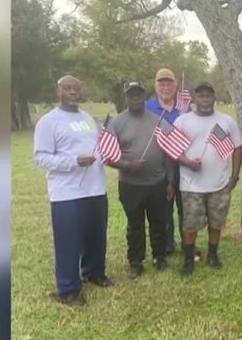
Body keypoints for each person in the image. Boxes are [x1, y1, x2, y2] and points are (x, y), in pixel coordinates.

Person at [33, 75, 111, 306]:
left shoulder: (87, 118)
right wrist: (74, 161)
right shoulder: (48, 122)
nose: (73, 92)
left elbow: (98, 146)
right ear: (59, 91)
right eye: (68, 89)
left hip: (95, 188)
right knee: (68, 241)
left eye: (77, 88)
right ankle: (68, 289)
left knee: (96, 235)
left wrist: (105, 155)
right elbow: (40, 157)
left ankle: (94, 272)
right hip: (67, 192)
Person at [173, 82, 242, 276]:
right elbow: (173, 150)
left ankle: (213, 254)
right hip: (191, 184)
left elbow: (237, 149)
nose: (205, 98)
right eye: (201, 95)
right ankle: (188, 260)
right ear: (194, 98)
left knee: (216, 222)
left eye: (208, 95)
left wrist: (235, 176)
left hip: (219, 183)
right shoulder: (182, 121)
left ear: (214, 98)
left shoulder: (226, 121)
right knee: (190, 224)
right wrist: (187, 162)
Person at [109, 81, 176, 279]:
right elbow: (109, 156)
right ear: (126, 97)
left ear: (145, 97)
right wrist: (127, 165)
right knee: (135, 225)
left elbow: (168, 153)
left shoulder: (158, 120)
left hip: (158, 182)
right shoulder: (117, 123)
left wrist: (171, 181)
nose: (136, 98)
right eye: (132, 95)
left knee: (159, 222)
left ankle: (160, 257)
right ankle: (136, 262)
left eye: (139, 94)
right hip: (131, 184)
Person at [145, 68, 192, 257]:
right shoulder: (147, 107)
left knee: (184, 206)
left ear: (175, 86)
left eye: (169, 83)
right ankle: (167, 243)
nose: (165, 87)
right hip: (160, 165)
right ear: (155, 86)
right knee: (164, 207)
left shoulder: (184, 107)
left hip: (184, 164)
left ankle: (187, 242)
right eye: (161, 83)